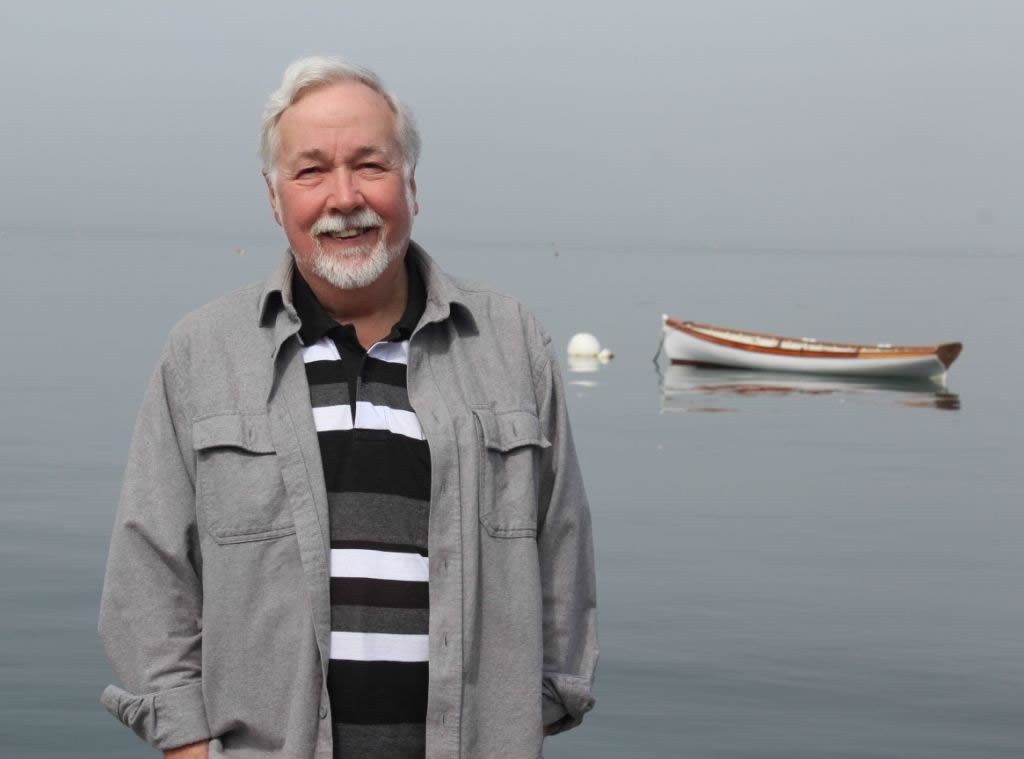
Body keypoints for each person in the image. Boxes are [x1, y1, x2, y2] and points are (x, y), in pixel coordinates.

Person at [97, 56, 598, 759]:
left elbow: (563, 554)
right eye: (311, 171)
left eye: (370, 165)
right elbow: (148, 575)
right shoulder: (202, 354)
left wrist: (519, 719)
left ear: (411, 183)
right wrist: (186, 743)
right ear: (275, 199)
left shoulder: (510, 343)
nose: (344, 197)